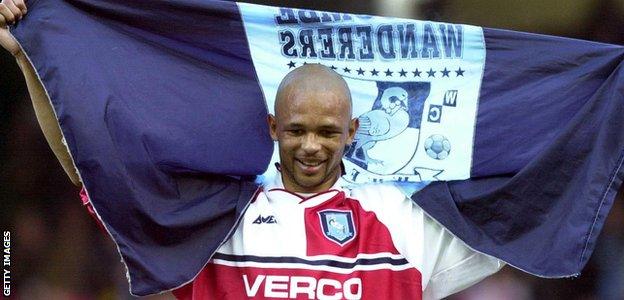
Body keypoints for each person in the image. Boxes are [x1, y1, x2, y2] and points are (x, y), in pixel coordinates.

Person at [1, 2, 504, 299]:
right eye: (296, 130)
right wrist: (30, 56)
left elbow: (524, 213)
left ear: (352, 132)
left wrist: (582, 101)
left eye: (327, 133)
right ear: (272, 127)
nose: (310, 147)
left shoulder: (403, 217)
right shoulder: (219, 216)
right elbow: (86, 170)